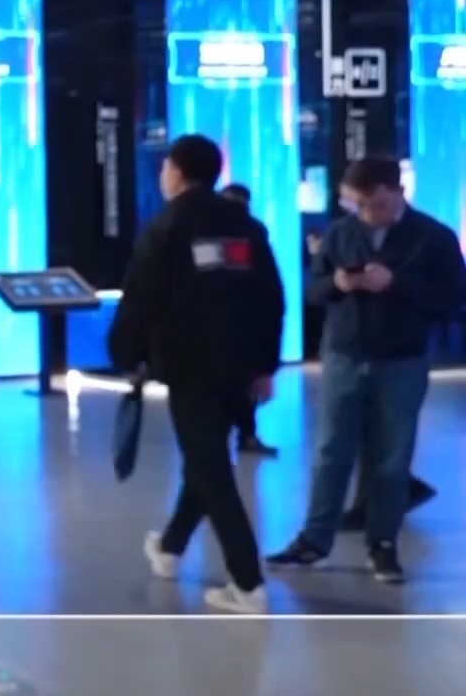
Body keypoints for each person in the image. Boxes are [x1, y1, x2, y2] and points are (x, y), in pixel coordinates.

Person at [268, 157, 466, 583]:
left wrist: (395, 283)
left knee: (392, 457)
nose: (366, 213)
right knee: (330, 452)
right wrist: (337, 284)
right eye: (357, 204)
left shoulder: (433, 237)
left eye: (375, 204)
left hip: (402, 359)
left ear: (398, 193)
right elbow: (314, 289)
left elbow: (453, 300)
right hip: (344, 354)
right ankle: (314, 539)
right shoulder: (342, 233)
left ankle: (383, 543)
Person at [111, 135, 284, 614]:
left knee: (210, 468)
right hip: (239, 364)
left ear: (178, 172)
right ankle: (170, 547)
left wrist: (126, 355)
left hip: (190, 366)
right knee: (206, 458)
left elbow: (141, 299)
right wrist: (266, 365)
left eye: (166, 166)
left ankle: (247, 583)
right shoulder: (246, 226)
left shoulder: (166, 226)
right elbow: (271, 299)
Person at [217, 183, 280, 457]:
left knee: (244, 385)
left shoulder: (253, 233)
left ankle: (245, 434)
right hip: (233, 323)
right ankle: (240, 435)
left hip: (240, 323)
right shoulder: (251, 231)